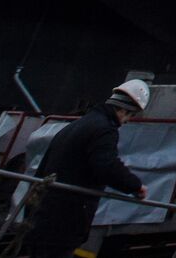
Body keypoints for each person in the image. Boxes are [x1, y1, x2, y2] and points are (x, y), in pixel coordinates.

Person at [26, 80, 150, 258]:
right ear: (123, 110)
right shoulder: (105, 129)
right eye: (130, 116)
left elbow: (45, 166)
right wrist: (135, 186)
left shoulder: (76, 125)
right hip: (65, 217)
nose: (127, 122)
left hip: (43, 214)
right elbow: (106, 165)